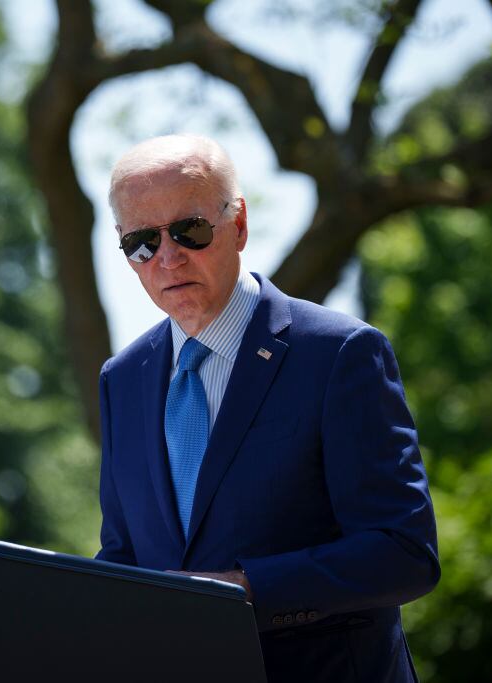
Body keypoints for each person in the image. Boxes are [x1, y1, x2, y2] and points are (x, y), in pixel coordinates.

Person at [96, 135, 439, 683]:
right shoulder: (122, 380)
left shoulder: (340, 353)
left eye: (189, 229)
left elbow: (404, 554)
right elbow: (121, 557)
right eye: (141, 241)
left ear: (238, 225)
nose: (168, 256)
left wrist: (246, 590)